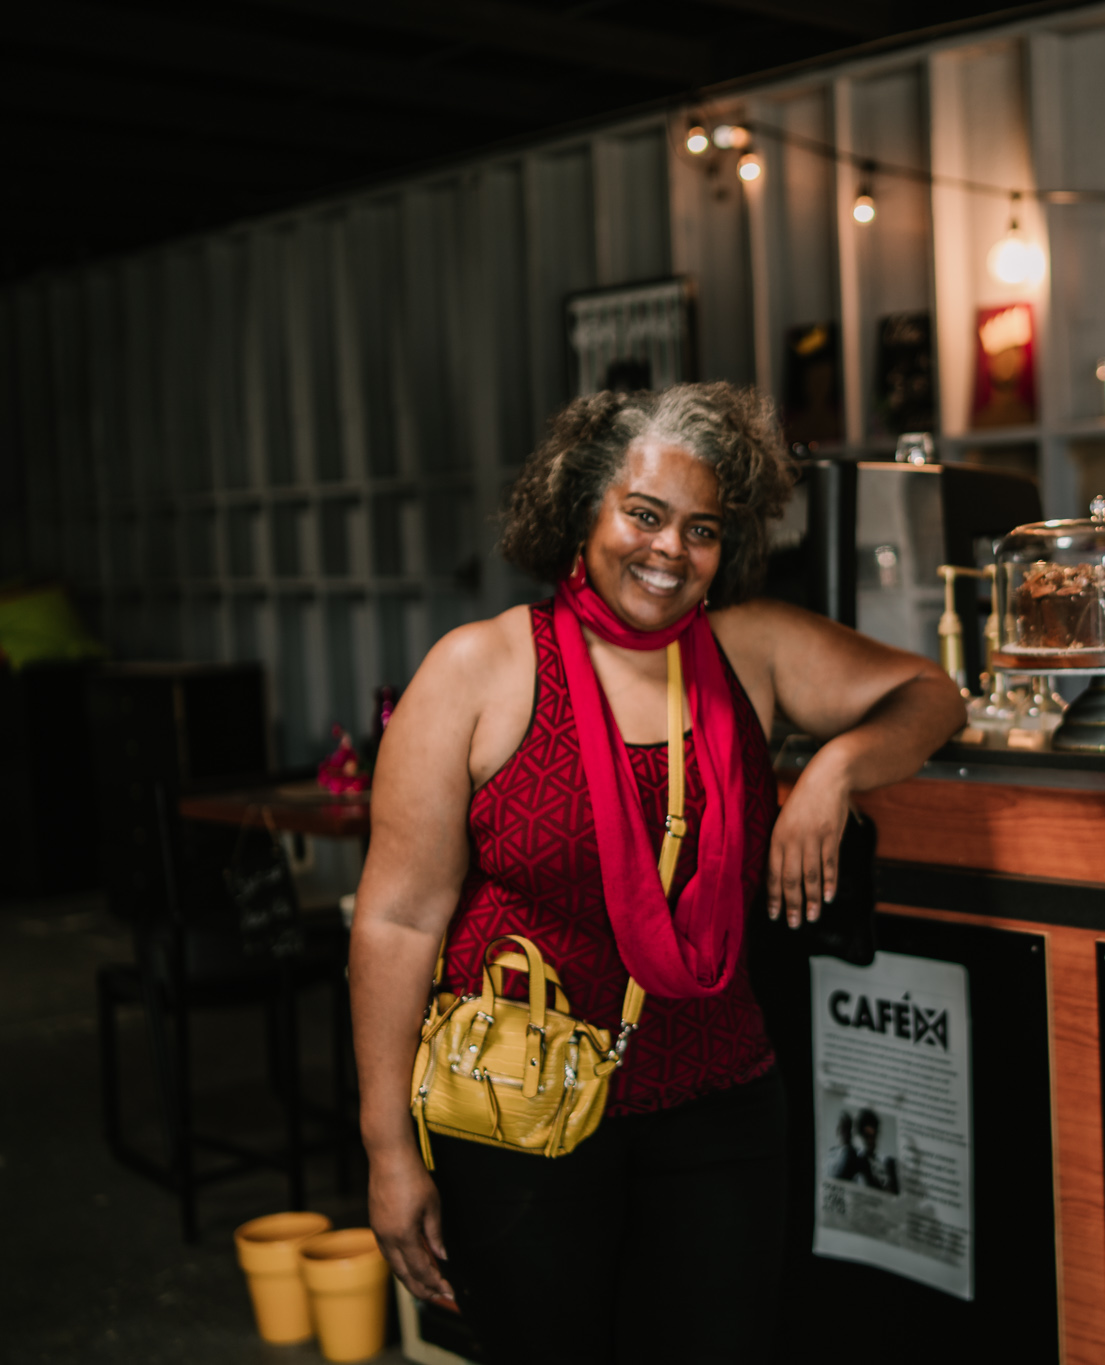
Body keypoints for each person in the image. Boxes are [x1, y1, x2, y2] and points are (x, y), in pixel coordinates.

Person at [350, 384, 965, 1364]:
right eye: (643, 514)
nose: (669, 549)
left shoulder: (747, 650)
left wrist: (831, 771)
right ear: (582, 508)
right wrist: (388, 1152)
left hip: (716, 1108)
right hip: (518, 1116)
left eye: (702, 527)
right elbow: (395, 920)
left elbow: (929, 693)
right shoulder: (477, 670)